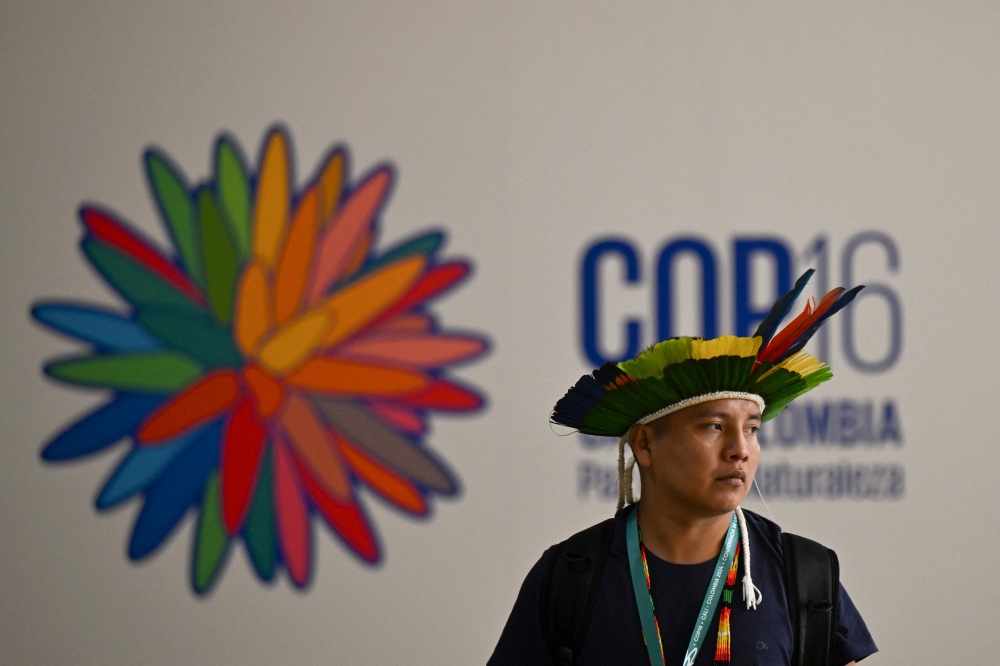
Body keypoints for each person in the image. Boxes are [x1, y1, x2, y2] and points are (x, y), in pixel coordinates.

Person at [489, 271, 878, 666]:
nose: (739, 450)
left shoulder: (804, 575)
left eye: (752, 429)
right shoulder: (569, 578)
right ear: (644, 444)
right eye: (714, 426)